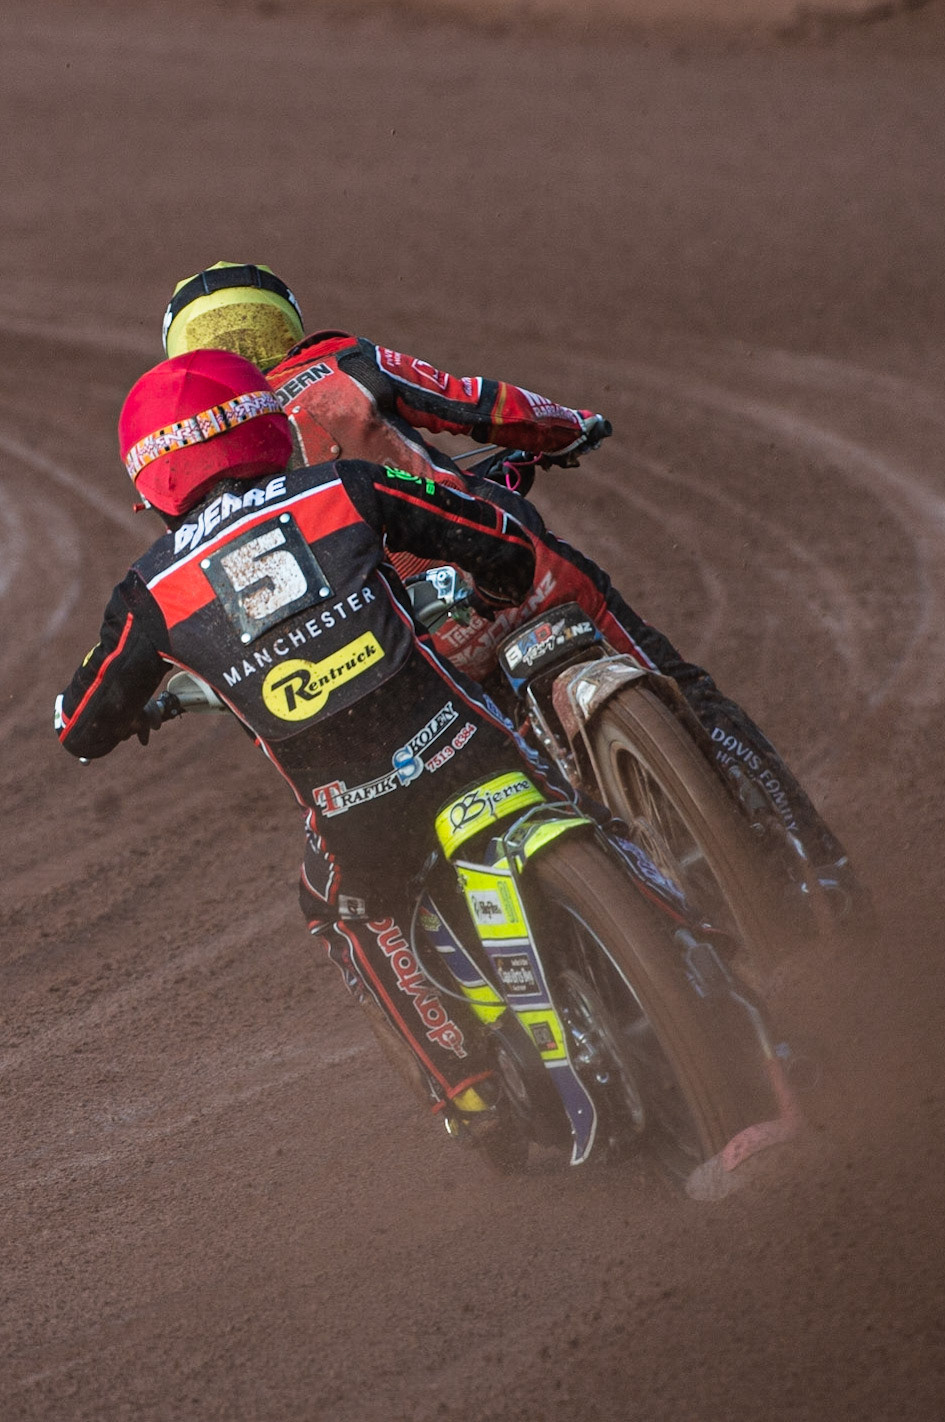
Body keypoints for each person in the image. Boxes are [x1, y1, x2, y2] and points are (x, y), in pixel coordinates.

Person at [157, 262, 856, 900]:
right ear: (285, 320)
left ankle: (609, 921)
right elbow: (478, 404)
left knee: (473, 789)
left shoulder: (209, 482)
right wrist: (571, 427)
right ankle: (824, 869)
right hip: (505, 569)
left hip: (402, 642)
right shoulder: (341, 365)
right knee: (686, 692)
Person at [55, 347, 580, 1137]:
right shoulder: (345, 485)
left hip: (358, 811)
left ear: (151, 479)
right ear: (264, 424)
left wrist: (118, 716)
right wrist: (492, 591)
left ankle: (468, 1091)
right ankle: (686, 911)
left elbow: (82, 727)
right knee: (556, 771)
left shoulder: (149, 592)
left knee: (344, 908)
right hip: (463, 740)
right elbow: (497, 541)